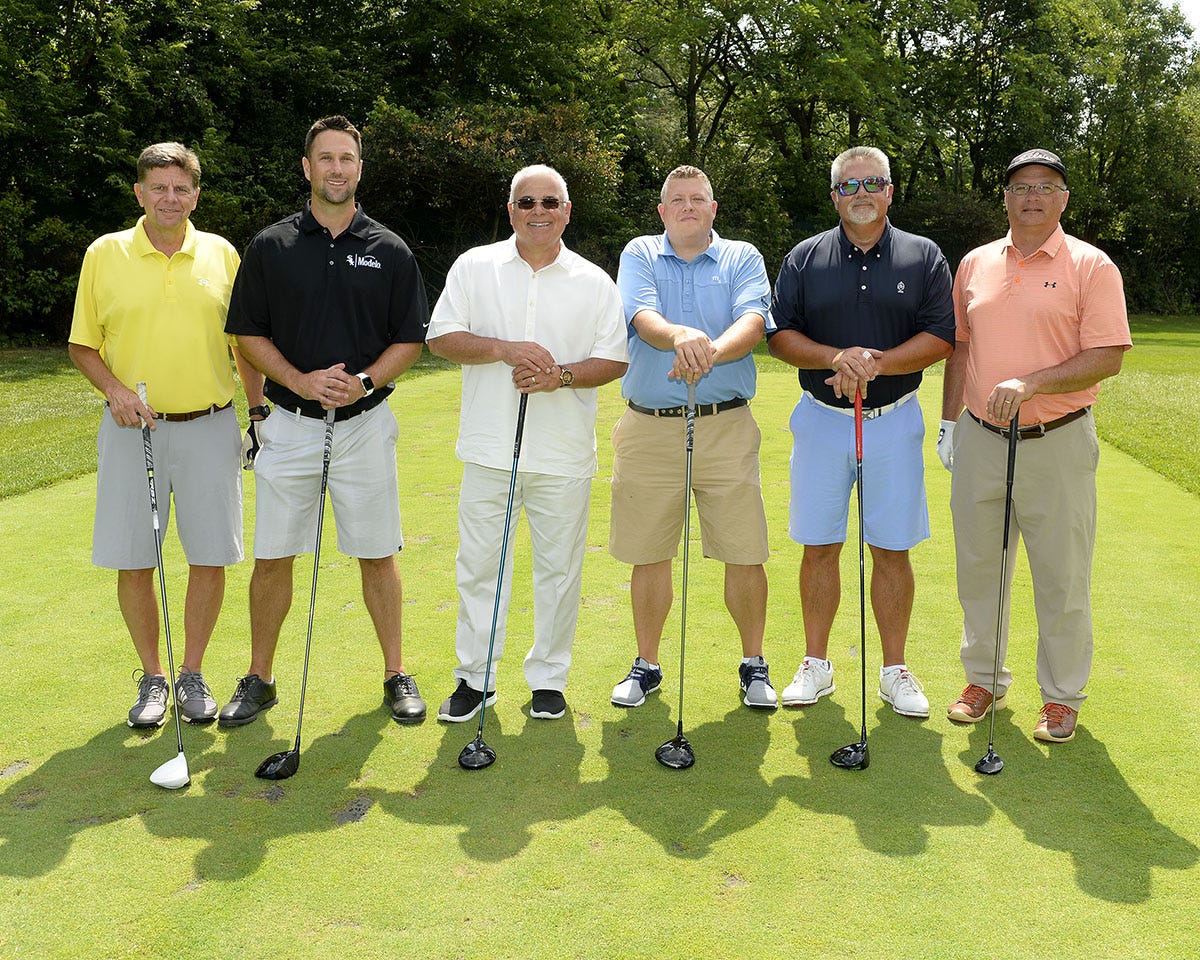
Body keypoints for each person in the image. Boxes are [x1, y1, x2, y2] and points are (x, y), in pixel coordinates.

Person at [220, 115, 430, 727]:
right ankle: (260, 677)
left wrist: (363, 381)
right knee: (274, 556)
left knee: (377, 552)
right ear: (307, 168)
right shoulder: (271, 245)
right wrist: (299, 382)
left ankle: (395, 672)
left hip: (365, 422)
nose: (337, 168)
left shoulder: (390, 249)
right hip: (289, 423)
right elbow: (247, 334)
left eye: (348, 158)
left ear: (359, 169)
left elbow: (409, 339)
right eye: (326, 158)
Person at [68, 141, 266, 728]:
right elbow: (82, 345)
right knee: (134, 557)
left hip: (209, 424)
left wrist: (257, 414)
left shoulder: (222, 255)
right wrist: (116, 390)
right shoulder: (105, 254)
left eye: (181, 189)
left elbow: (245, 343)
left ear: (195, 195)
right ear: (139, 192)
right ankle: (154, 677)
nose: (170, 198)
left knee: (209, 556)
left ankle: (193, 675)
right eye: (159, 187)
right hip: (134, 429)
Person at [426, 164, 629, 722]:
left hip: (562, 453)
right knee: (479, 567)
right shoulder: (475, 266)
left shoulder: (594, 281)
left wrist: (559, 375)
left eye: (549, 202)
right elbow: (440, 337)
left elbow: (614, 359)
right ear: (510, 209)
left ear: (567, 211)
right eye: (526, 202)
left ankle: (548, 678)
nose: (538, 211)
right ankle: (476, 678)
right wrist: (503, 349)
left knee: (559, 570)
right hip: (489, 447)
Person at [941, 148, 1130, 743]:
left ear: (1063, 199)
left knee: (1061, 575)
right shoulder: (974, 264)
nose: (1033, 196)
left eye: (1046, 186)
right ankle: (984, 679)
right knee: (979, 569)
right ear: (1005, 197)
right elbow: (961, 348)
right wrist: (950, 423)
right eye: (1021, 186)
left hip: (1057, 438)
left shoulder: (1091, 266)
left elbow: (1108, 355)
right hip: (980, 438)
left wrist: (1033, 383)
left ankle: (1062, 696)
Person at [767, 145, 955, 719]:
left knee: (891, 547)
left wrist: (873, 364)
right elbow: (779, 335)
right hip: (822, 421)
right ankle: (816, 664)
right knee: (819, 544)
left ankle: (894, 669)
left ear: (891, 191)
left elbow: (941, 336)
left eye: (873, 182)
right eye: (850, 186)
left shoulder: (923, 256)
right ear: (834, 196)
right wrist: (838, 357)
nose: (862, 193)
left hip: (893, 421)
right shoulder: (805, 256)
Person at [609, 164, 777, 711]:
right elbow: (641, 317)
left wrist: (705, 351)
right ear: (662, 211)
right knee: (648, 551)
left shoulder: (742, 256)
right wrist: (681, 336)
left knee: (744, 549)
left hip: (726, 424)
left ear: (713, 208)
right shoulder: (638, 252)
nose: (687, 207)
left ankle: (754, 663)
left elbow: (753, 322)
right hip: (649, 427)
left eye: (697, 199)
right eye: (676, 200)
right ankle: (647, 664)